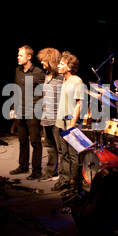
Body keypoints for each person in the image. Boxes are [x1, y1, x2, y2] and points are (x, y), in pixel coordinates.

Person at [9, 45, 45, 180]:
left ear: (29, 57)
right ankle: (23, 165)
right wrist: (13, 107)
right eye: (18, 55)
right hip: (20, 111)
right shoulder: (17, 71)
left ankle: (37, 170)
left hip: (34, 112)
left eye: (20, 55)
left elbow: (45, 92)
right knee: (22, 140)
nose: (18, 57)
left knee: (35, 141)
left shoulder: (38, 73)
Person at [52, 51, 84, 192]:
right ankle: (64, 180)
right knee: (63, 154)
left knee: (73, 155)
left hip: (71, 123)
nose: (59, 66)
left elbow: (79, 103)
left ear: (69, 67)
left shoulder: (77, 81)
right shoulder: (64, 80)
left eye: (62, 64)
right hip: (61, 122)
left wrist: (72, 123)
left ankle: (74, 182)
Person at [36, 47, 64, 183]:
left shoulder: (62, 78)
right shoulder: (46, 76)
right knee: (50, 147)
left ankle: (65, 175)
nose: (42, 63)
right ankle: (51, 172)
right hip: (46, 118)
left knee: (61, 149)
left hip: (57, 120)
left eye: (44, 60)